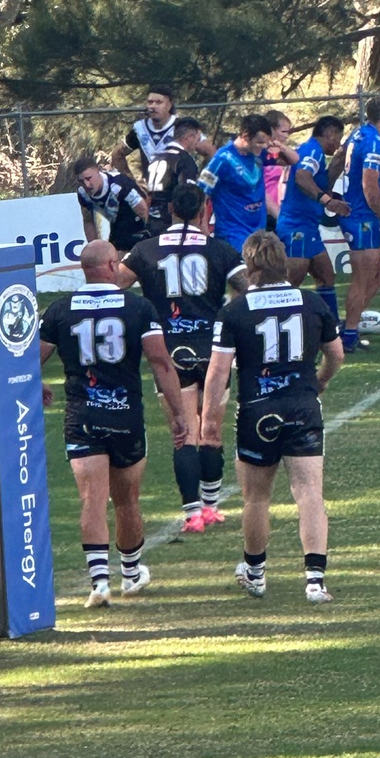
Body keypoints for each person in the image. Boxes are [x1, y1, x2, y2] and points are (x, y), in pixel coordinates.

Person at [39, 239, 187, 607]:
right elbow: (160, 361)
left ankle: (99, 582)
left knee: (91, 498)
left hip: (82, 415)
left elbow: (28, 359)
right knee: (126, 499)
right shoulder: (137, 307)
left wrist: (34, 381)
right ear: (110, 265)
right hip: (125, 415)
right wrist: (179, 411)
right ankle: (132, 572)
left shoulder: (61, 309)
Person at [201, 231, 343, 604]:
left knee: (256, 498)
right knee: (310, 492)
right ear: (283, 262)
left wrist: (209, 421)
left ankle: (255, 573)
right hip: (302, 406)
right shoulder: (311, 302)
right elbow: (337, 355)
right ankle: (314, 581)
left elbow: (218, 373)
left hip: (257, 410)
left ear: (250, 267)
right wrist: (321, 381)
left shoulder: (234, 310)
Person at [119, 183, 247, 533]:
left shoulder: (144, 251)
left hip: (168, 348)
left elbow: (114, 287)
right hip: (213, 348)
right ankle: (211, 506)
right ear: (204, 210)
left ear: (171, 209)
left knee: (183, 430)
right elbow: (249, 290)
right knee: (212, 430)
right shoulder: (220, 250)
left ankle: (192, 514)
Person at [335, 95, 380, 354]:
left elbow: (339, 158)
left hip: (361, 214)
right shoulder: (373, 143)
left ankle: (349, 324)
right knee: (362, 278)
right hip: (362, 217)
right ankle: (348, 335)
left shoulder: (358, 134)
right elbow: (369, 184)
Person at [274, 114, 349, 322]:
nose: (338, 143)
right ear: (330, 134)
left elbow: (318, 182)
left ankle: (331, 325)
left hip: (308, 227)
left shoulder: (313, 152)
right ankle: (276, 322)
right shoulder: (312, 151)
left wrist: (338, 162)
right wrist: (328, 201)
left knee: (326, 277)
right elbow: (301, 177)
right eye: (338, 138)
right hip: (297, 227)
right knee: (291, 281)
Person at [112, 85, 213, 192]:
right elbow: (117, 154)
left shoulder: (183, 127)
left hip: (178, 196)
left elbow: (212, 154)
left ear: (169, 105)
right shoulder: (140, 129)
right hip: (151, 197)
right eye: (150, 102)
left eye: (159, 102)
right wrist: (131, 183)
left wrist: (204, 187)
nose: (153, 106)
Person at [197, 115, 273, 254]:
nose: (264, 146)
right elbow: (201, 192)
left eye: (266, 142)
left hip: (259, 230)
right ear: (245, 135)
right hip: (233, 232)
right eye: (260, 142)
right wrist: (203, 226)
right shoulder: (222, 159)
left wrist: (278, 145)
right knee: (243, 273)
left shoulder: (258, 154)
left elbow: (293, 160)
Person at [143, 116, 206, 232]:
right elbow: (187, 195)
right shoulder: (185, 160)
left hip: (152, 221)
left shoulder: (156, 157)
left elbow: (148, 193)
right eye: (197, 138)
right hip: (171, 223)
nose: (197, 143)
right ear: (190, 137)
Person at [74, 157, 151, 251]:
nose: (87, 185)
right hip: (117, 228)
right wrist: (94, 247)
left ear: (98, 171)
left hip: (139, 225)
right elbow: (88, 221)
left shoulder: (119, 183)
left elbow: (142, 208)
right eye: (81, 181)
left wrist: (148, 235)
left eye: (89, 178)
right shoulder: (82, 193)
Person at [261, 110, 300, 228]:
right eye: (283, 132)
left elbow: (297, 160)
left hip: (281, 205)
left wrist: (281, 146)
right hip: (264, 207)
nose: (286, 136)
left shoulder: (281, 152)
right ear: (271, 130)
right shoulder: (259, 152)